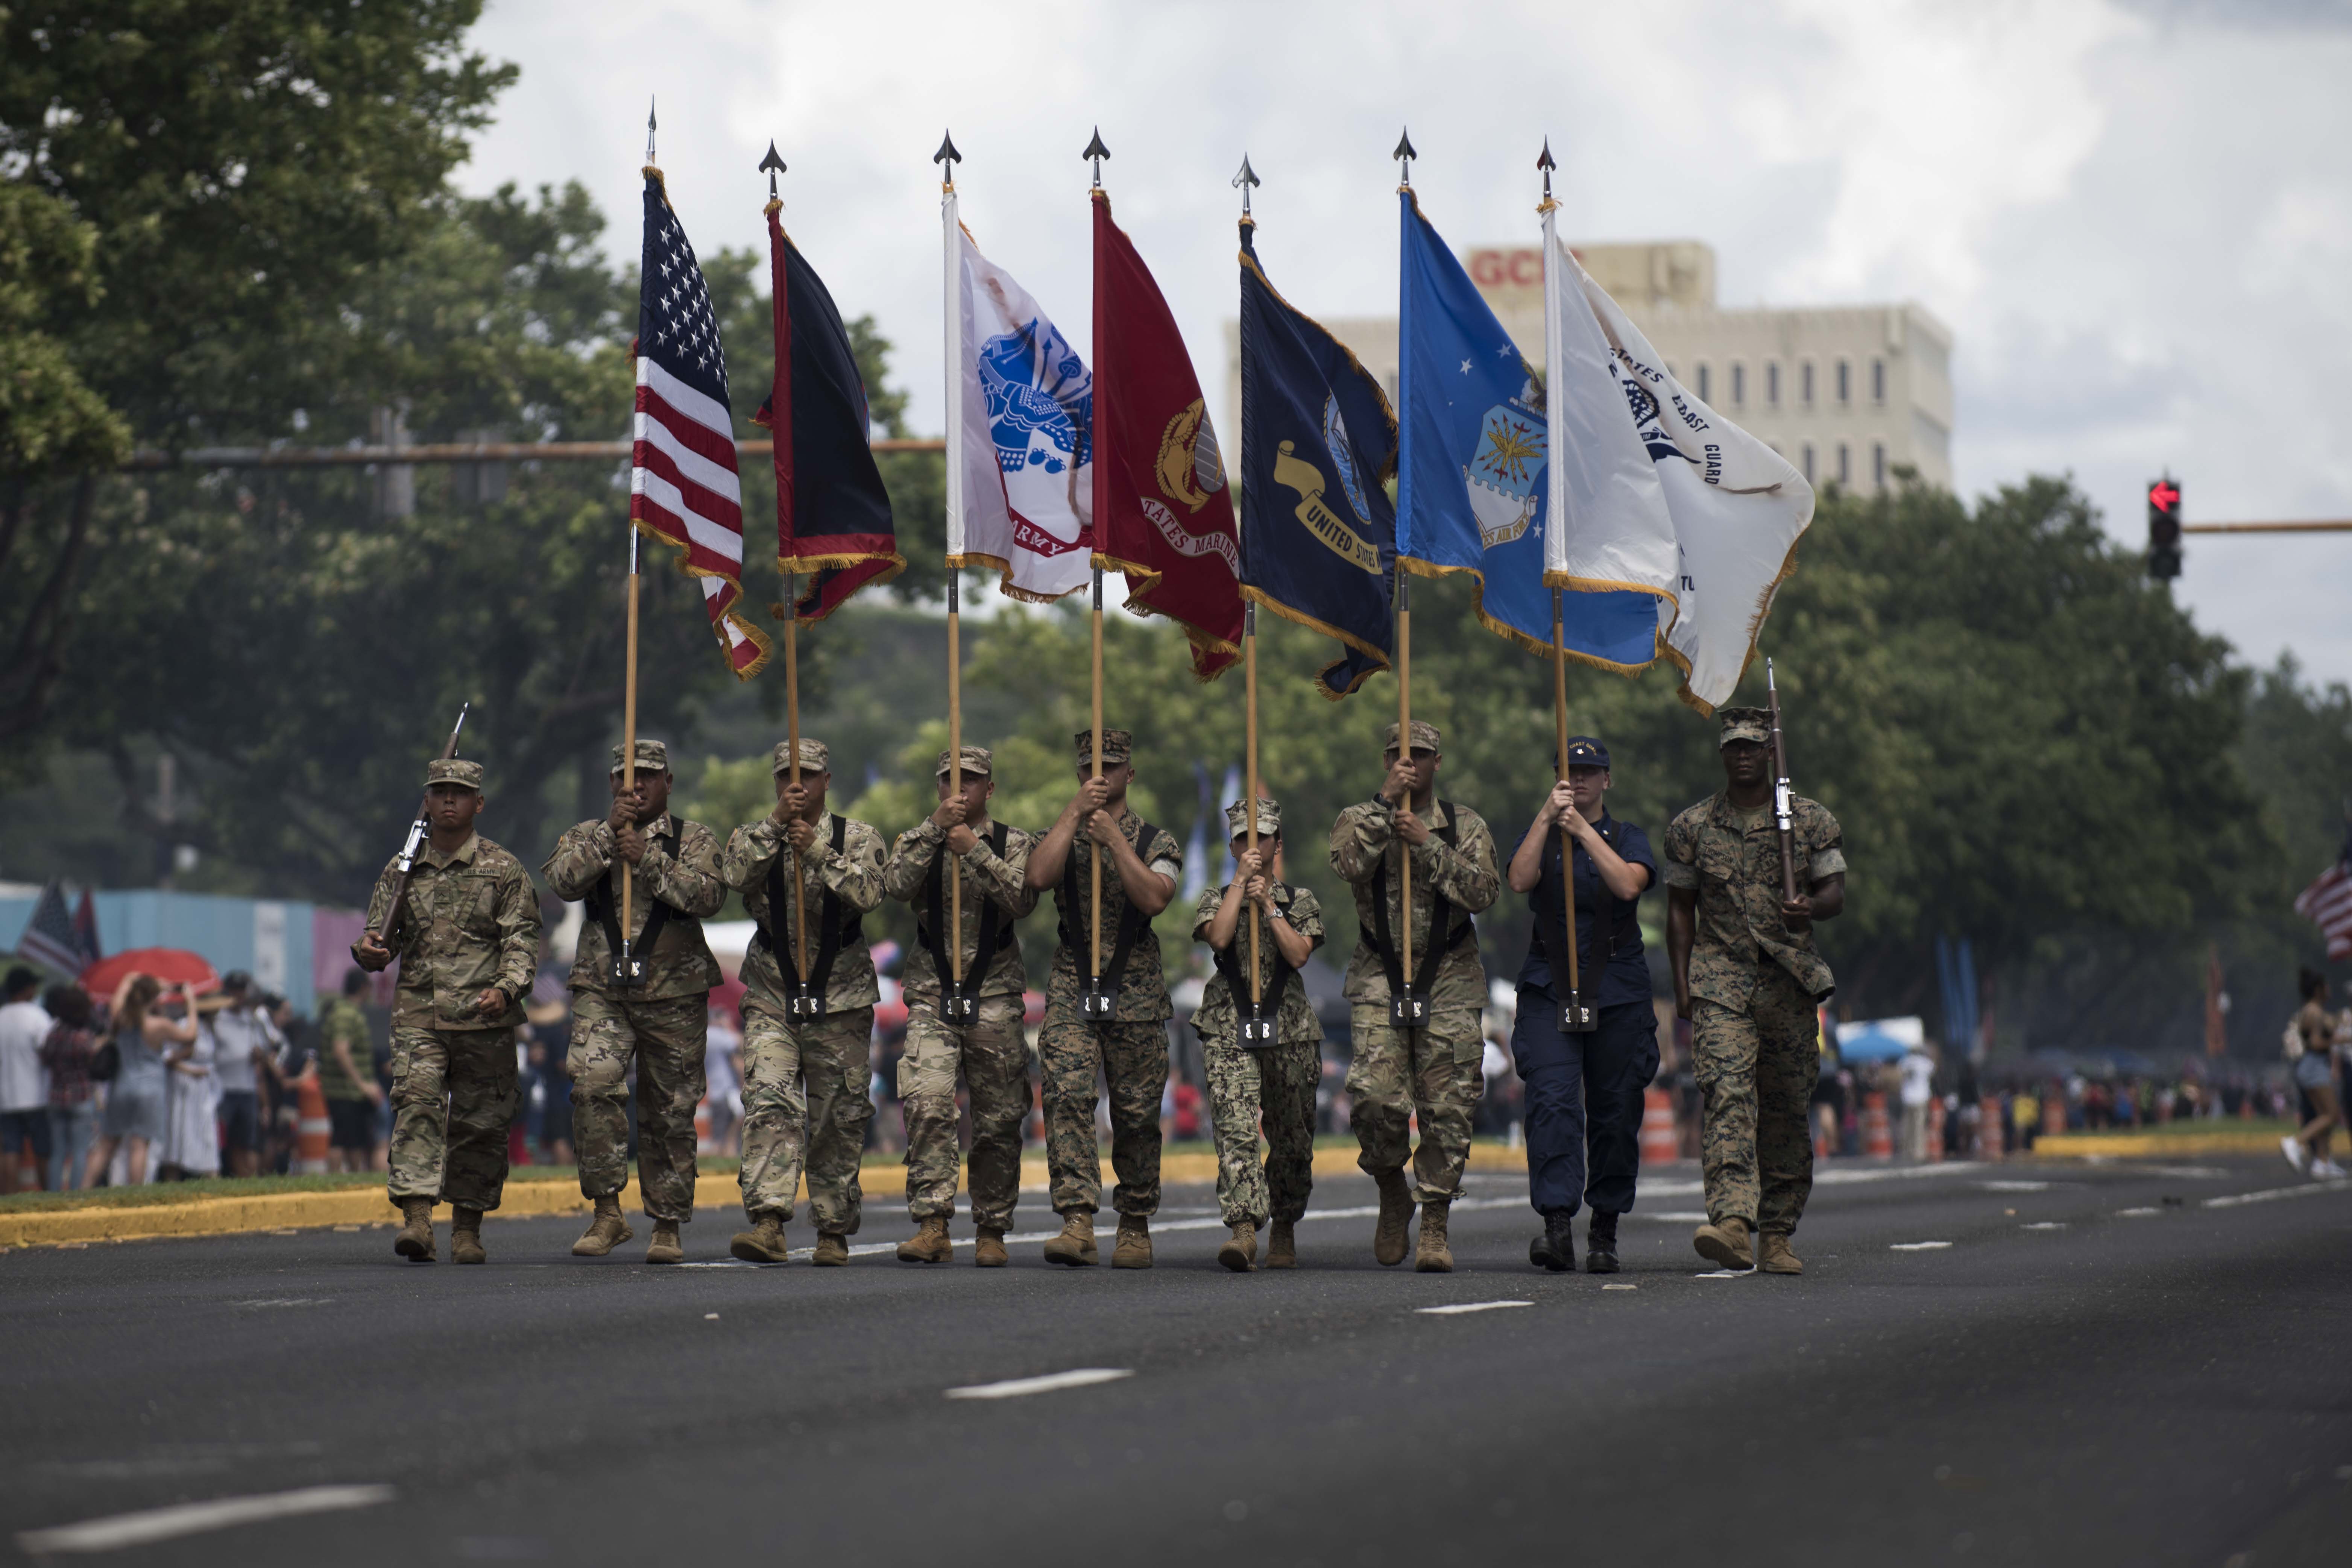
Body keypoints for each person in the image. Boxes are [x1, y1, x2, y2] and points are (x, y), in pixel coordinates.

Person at [1664, 705, 1847, 1276]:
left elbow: (1835, 891)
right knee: (1727, 1094)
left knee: (1786, 1108)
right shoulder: (1691, 827)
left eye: (1752, 746)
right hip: (1721, 979)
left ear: (1769, 752)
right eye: (1733, 747)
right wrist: (1682, 986)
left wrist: (1809, 906)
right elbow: (1679, 912)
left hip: (1788, 981)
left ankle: (1777, 1230)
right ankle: (1732, 1223)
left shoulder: (1808, 820)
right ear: (1722, 754)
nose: (1743, 755)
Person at [353, 757, 544, 1264]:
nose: (449, 800)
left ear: (478, 803)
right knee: (416, 1106)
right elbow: (379, 936)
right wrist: (369, 951)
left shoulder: (503, 869)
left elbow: (523, 942)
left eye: (459, 792)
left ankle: (467, 1227)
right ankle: (417, 1220)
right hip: (420, 1015)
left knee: (481, 1125)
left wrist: (507, 990)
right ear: (427, 802)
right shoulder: (402, 868)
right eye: (439, 792)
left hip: (485, 1018)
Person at [542, 739, 726, 1265]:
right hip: (604, 988)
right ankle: (607, 1212)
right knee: (594, 1087)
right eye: (626, 777)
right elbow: (560, 880)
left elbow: (709, 896)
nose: (636, 786)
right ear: (612, 785)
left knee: (669, 1109)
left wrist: (647, 859)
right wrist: (608, 837)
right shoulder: (586, 835)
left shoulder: (693, 839)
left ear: (668, 782)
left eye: (647, 776)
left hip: (675, 991)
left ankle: (666, 1223)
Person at [1329, 720, 1501, 1273]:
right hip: (1381, 971)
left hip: (1448, 974)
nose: (1412, 764)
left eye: (1422, 755)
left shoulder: (1464, 825)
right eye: (1401, 756)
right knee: (1374, 1099)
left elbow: (1483, 892)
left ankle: (1434, 1223)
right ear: (1386, 761)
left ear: (1437, 762)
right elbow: (1348, 865)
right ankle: (1390, 1186)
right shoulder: (1360, 818)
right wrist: (1384, 810)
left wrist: (1427, 845)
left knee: (1447, 1109)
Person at [721, 739, 886, 1266]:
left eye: (809, 775)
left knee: (839, 1113)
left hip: (841, 994)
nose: (798, 785)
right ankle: (768, 1220)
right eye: (787, 776)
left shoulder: (857, 838)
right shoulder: (754, 837)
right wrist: (775, 828)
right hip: (773, 992)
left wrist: (815, 849)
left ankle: (833, 1228)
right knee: (771, 1100)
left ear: (827, 781)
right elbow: (733, 877)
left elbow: (870, 894)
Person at [1023, 727, 1183, 1269]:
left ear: (1129, 774)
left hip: (1135, 987)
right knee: (1066, 1094)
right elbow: (1037, 876)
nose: (1101, 775)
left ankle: (1134, 1221)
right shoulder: (1059, 833)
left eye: (1111, 767)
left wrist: (1114, 840)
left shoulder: (1156, 842)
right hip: (1073, 981)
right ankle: (1077, 1218)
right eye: (1090, 767)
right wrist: (1075, 815)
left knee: (1136, 1114)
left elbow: (1155, 897)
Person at [1503, 738, 1659, 1275]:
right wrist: (1548, 818)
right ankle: (1555, 1224)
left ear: (1607, 780)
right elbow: (1519, 880)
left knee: (1615, 1112)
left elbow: (1627, 885)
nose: (1582, 780)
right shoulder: (1542, 833)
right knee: (1552, 1104)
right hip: (1550, 987)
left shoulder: (1626, 837)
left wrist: (1583, 832)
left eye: (1592, 772)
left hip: (1617, 991)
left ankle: (1605, 1227)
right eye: (1571, 772)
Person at [878, 745, 1038, 1267]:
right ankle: (932, 1222)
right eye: (949, 781)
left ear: (989, 789)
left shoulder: (1014, 842)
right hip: (932, 992)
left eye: (970, 782)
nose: (959, 791)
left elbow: (1024, 898)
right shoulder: (916, 839)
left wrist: (974, 848)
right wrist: (934, 832)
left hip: (993, 991)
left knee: (998, 1116)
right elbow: (894, 885)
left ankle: (992, 1226)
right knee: (927, 1102)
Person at [1193, 796, 1324, 1272]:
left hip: (1289, 1030)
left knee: (1291, 1136)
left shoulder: (1300, 901)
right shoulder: (1214, 898)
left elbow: (1299, 954)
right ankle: (1244, 1227)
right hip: (1228, 1023)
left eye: (1262, 837)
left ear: (1277, 843)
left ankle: (1284, 1223)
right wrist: (1237, 889)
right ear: (1231, 845)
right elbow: (1220, 937)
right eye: (1244, 838)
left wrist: (1268, 903)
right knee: (1236, 1127)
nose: (1253, 845)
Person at [86, 974, 197, 1187]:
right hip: (149, 1091)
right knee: (139, 1146)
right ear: (154, 999)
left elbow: (119, 996)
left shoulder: (120, 1018)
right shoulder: (158, 1025)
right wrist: (191, 1004)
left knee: (107, 1145)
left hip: (121, 1087)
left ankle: (83, 1190)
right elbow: (190, 1036)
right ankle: (135, 1195)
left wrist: (132, 977)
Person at [202, 971, 281, 1179]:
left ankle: (246, 1178)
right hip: (224, 1088)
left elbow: (267, 1051)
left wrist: (260, 1056)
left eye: (241, 991)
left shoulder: (252, 1020)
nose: (238, 996)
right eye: (234, 991)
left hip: (247, 1089)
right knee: (222, 1140)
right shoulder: (218, 1019)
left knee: (246, 1142)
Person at [316, 968, 381, 1174]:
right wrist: (363, 1084)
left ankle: (354, 1179)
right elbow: (341, 1051)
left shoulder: (349, 1012)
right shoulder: (346, 1013)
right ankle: (335, 1181)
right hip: (344, 1091)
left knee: (353, 1140)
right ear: (363, 988)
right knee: (342, 1139)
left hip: (349, 1091)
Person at [38, 986, 100, 1190]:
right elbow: (95, 1063)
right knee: (80, 1151)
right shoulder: (84, 1037)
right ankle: (77, 1192)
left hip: (56, 1097)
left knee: (58, 1152)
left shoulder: (53, 1034)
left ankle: (54, 1192)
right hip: (81, 1096)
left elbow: (44, 1059)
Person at [2283, 967, 2342, 1178]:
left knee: (2323, 1115)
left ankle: (2323, 1161)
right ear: (2318, 990)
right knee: (2332, 1115)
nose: (2329, 989)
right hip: (2314, 1066)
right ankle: (2296, 1143)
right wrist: (2341, 1039)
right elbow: (2316, 1042)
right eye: (2326, 986)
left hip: (2311, 1067)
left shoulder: (2312, 1010)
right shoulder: (2315, 1012)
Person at [0, 967, 53, 1192]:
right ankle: (47, 1193)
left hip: (6, 1097)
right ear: (27, 989)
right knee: (43, 1150)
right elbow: (50, 1051)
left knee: (11, 1150)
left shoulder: (1, 1017)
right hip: (36, 1095)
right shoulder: (37, 1016)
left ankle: (10, 1196)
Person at [158, 991, 219, 1180]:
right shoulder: (183, 1025)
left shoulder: (209, 1030)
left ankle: (211, 1174)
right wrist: (189, 1070)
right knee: (180, 1134)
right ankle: (173, 1176)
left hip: (204, 1089)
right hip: (184, 1087)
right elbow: (166, 1056)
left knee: (206, 1133)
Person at [1899, 1042, 1937, 1162]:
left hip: (1908, 1098)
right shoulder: (1925, 1063)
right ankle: (1918, 1152)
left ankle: (1906, 1151)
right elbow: (1933, 1071)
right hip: (1921, 1098)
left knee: (1907, 1127)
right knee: (1919, 1127)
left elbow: (1900, 1074)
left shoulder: (1906, 1062)